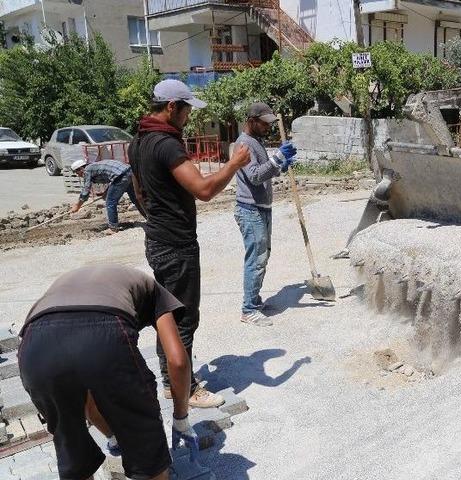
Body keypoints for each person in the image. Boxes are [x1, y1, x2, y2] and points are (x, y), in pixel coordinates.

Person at [129, 79, 251, 408]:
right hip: (176, 245)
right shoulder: (166, 145)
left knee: (165, 314)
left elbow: (139, 192)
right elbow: (204, 190)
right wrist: (234, 164)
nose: (188, 117)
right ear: (172, 107)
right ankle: (187, 389)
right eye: (186, 110)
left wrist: (157, 219)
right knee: (183, 318)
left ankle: (171, 383)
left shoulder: (138, 140)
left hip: (157, 239)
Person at [18, 265, 197, 480]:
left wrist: (114, 436)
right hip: (104, 331)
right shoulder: (156, 291)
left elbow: (90, 386)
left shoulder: (70, 281)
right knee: (149, 459)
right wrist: (181, 420)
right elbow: (178, 361)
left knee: (74, 454)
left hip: (34, 349)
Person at [233, 102, 297, 326]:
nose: (268, 128)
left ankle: (254, 300)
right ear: (251, 121)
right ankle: (248, 309)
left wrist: (281, 165)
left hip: (261, 208)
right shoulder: (243, 144)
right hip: (250, 210)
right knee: (256, 259)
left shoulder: (255, 141)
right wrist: (278, 157)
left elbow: (265, 170)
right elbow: (254, 176)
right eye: (264, 124)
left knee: (263, 256)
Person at [69, 158, 142, 234]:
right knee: (136, 198)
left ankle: (113, 228)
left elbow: (86, 190)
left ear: (81, 169)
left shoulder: (87, 170)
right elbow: (112, 178)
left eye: (77, 173)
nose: (78, 175)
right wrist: (106, 193)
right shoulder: (93, 167)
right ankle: (148, 217)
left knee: (110, 202)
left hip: (121, 176)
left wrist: (77, 206)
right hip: (128, 172)